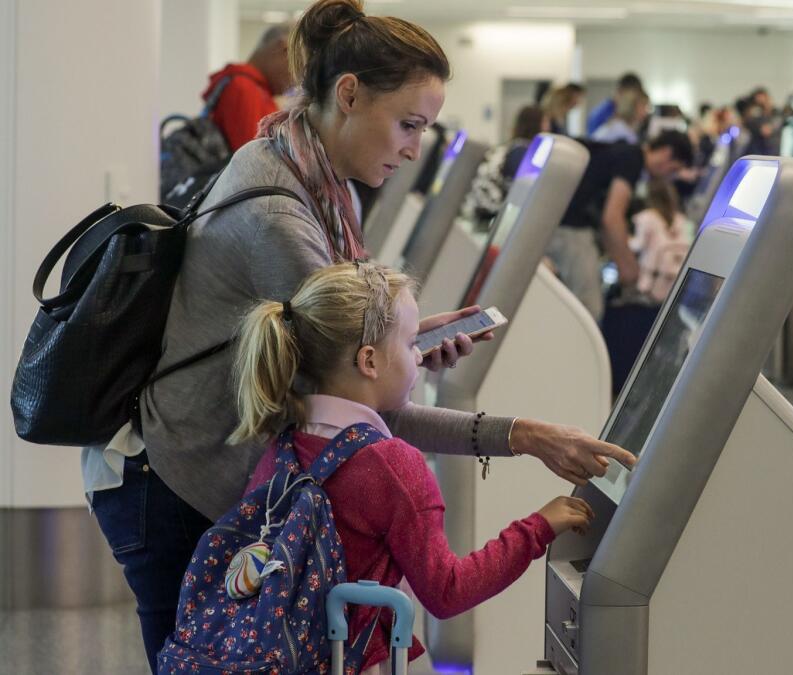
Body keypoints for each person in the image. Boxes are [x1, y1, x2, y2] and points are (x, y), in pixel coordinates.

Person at [87, 2, 635, 669]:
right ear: (348, 94)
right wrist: (524, 435)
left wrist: (402, 336)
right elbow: (374, 409)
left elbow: (350, 359)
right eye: (407, 125)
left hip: (215, 469)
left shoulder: (307, 174)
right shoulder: (280, 216)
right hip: (175, 480)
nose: (413, 148)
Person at [230, 262, 595, 673]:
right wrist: (539, 527)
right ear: (368, 361)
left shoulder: (284, 442)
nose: (420, 355)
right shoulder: (391, 465)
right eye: (409, 344)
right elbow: (447, 591)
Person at [547, 131, 694, 319]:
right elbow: (612, 218)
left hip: (559, 224)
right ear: (666, 153)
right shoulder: (632, 159)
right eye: (673, 169)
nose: (668, 178)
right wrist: (628, 267)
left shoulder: (622, 151)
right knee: (588, 310)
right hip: (569, 228)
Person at [204, 23, 295, 153]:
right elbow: (256, 160)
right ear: (284, 49)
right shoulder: (244, 88)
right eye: (299, 65)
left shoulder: (250, 87)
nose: (296, 80)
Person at [461, 104, 548, 224]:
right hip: (493, 212)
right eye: (545, 121)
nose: (547, 126)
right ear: (536, 124)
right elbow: (522, 187)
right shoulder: (522, 152)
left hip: (485, 209)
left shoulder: (513, 146)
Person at [630, 177, 692, 303]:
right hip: (675, 282)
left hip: (649, 281)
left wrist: (625, 240)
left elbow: (638, 245)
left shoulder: (647, 217)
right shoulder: (682, 220)